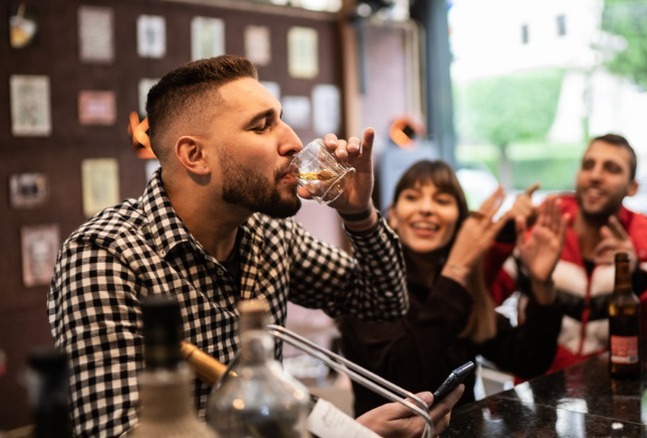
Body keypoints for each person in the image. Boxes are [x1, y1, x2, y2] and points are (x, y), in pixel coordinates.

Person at [48, 55, 415, 437]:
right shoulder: (105, 257)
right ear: (195, 155)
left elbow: (384, 301)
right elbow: (118, 433)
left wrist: (360, 215)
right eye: (262, 126)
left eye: (281, 118)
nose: (293, 141)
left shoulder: (267, 234)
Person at [337, 160, 565, 416]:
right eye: (412, 197)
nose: (426, 209)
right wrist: (455, 274)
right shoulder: (365, 286)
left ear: (459, 222)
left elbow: (529, 359)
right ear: (394, 215)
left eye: (442, 201)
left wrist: (542, 284)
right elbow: (406, 384)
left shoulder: (462, 288)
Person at [489, 134, 647, 372]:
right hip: (538, 391)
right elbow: (483, 296)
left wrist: (635, 276)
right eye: (588, 165)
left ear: (632, 187)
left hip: (617, 391)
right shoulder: (541, 233)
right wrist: (505, 235)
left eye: (612, 168)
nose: (595, 176)